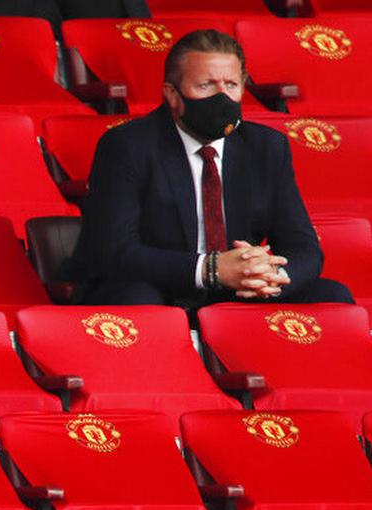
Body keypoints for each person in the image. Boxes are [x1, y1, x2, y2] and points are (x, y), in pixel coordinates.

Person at [68, 29, 353, 306]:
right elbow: (116, 252)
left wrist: (271, 277)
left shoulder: (266, 147)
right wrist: (212, 269)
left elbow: (303, 246)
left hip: (238, 290)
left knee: (332, 296)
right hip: (159, 285)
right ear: (172, 94)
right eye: (205, 86)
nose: (222, 98)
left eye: (231, 85)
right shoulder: (127, 145)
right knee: (139, 299)